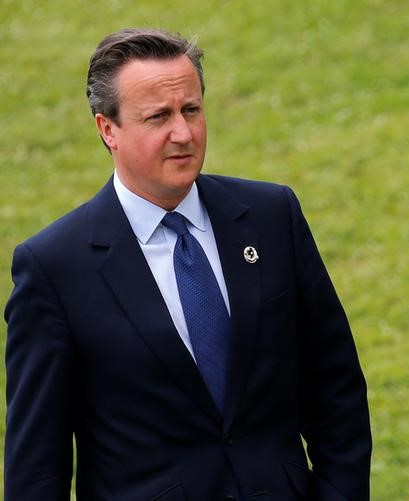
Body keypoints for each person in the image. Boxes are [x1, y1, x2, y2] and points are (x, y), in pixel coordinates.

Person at [4, 28, 371, 501]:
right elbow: (36, 470)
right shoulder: (54, 267)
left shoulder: (271, 216)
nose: (183, 133)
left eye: (191, 110)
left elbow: (336, 389)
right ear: (108, 129)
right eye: (159, 117)